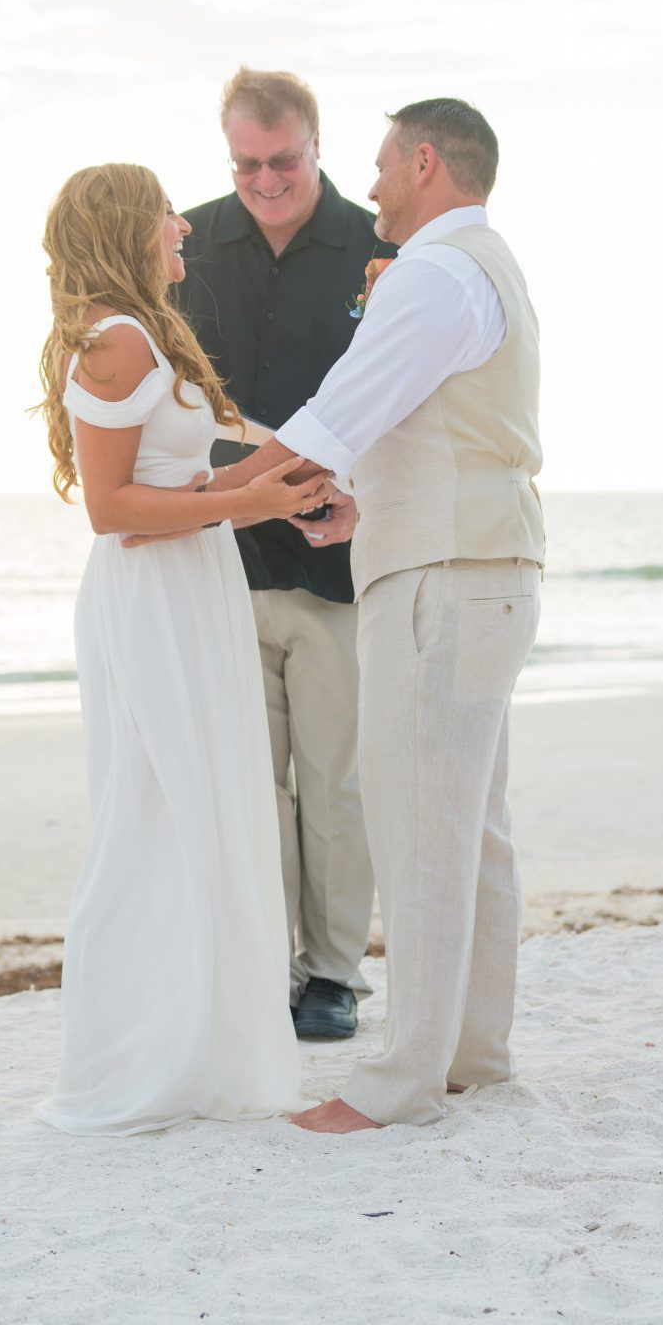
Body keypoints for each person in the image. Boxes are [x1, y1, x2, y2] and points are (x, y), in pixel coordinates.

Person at [207, 99, 545, 1132]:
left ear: (425, 162)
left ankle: (399, 1083)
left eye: (383, 161)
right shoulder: (484, 264)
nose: (375, 181)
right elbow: (435, 426)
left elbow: (334, 416)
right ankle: (470, 1057)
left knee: (418, 832)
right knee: (469, 831)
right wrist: (364, 504)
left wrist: (201, 503)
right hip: (478, 564)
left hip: (442, 582)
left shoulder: (434, 274)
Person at [33, 163, 329, 1136]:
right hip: (150, 597)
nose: (182, 228)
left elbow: (208, 467)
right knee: (153, 814)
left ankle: (199, 1046)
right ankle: (132, 1057)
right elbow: (111, 512)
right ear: (127, 224)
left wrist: (318, 461)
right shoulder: (112, 342)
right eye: (164, 210)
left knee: (204, 807)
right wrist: (246, 501)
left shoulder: (148, 332)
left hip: (192, 584)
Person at [176, 67, 395, 1041]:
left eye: (283, 161)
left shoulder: (374, 248)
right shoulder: (182, 243)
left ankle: (333, 974)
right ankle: (263, 963)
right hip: (218, 562)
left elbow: (403, 397)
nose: (263, 180)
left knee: (335, 779)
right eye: (245, 163)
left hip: (334, 565)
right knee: (249, 780)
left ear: (316, 146)